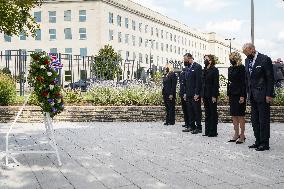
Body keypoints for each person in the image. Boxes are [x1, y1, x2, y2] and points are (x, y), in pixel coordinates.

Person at [243, 43, 274, 151]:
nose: (246, 55)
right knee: (255, 120)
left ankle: (265, 143)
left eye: (246, 52)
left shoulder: (265, 59)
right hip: (252, 95)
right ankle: (258, 141)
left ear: (252, 49)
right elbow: (247, 79)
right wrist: (247, 93)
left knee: (263, 120)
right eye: (244, 53)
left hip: (263, 95)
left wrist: (269, 94)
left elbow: (270, 78)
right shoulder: (247, 61)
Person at [227, 51, 247, 144]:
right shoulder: (230, 68)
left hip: (239, 94)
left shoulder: (242, 68)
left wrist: (243, 95)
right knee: (234, 115)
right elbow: (229, 82)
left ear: (236, 58)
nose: (230, 59)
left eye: (231, 58)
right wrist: (228, 94)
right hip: (232, 94)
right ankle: (236, 134)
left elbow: (244, 82)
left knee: (240, 115)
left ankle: (242, 135)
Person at [182, 53, 202, 134]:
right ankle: (191, 126)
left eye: (185, 60)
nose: (184, 61)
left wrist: (197, 93)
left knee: (196, 111)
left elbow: (199, 81)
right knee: (190, 111)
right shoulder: (187, 68)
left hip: (195, 94)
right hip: (188, 93)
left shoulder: (197, 67)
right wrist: (185, 93)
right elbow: (186, 82)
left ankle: (199, 127)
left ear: (190, 58)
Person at [201, 55, 220, 137]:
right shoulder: (204, 69)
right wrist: (202, 95)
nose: (205, 60)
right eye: (204, 59)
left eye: (206, 59)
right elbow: (202, 83)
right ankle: (207, 131)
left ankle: (213, 131)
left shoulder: (215, 70)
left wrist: (214, 96)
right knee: (207, 113)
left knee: (213, 113)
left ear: (211, 61)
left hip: (211, 94)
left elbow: (216, 84)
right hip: (205, 94)